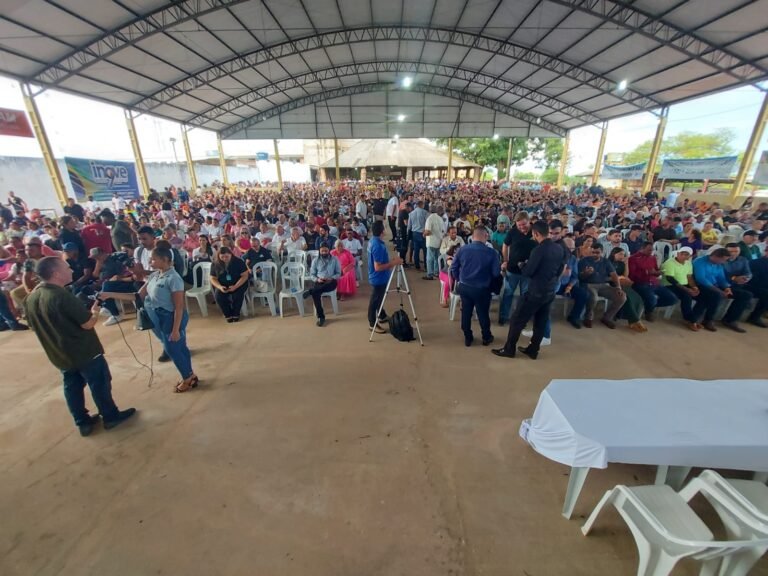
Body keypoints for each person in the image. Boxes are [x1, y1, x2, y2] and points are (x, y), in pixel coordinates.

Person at [24, 256, 135, 436]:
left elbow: (32, 325)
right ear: (56, 273)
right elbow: (88, 324)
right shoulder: (61, 295)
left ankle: (82, 421)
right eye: (67, 268)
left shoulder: (32, 297)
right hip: (84, 351)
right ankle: (110, 416)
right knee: (99, 384)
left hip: (59, 353)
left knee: (72, 387)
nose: (71, 270)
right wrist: (96, 310)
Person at [492, 220, 564, 359]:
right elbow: (560, 269)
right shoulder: (558, 248)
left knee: (516, 320)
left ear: (536, 233)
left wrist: (522, 265)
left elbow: (528, 272)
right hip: (549, 290)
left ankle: (509, 349)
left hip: (535, 291)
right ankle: (533, 349)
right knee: (541, 321)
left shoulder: (539, 249)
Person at [139, 246, 198, 393]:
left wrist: (176, 329)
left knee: (172, 349)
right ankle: (190, 374)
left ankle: (187, 378)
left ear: (165, 260)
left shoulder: (173, 278)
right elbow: (138, 295)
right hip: (158, 315)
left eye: (153, 259)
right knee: (180, 347)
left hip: (171, 317)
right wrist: (109, 294)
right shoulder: (155, 275)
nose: (150, 261)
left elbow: (179, 306)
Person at [450, 228, 500, 347]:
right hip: (482, 289)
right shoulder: (492, 253)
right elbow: (495, 273)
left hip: (464, 287)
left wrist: (459, 279)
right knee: (483, 314)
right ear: (486, 237)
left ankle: (468, 337)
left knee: (466, 312)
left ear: (472, 237)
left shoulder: (462, 249)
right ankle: (486, 337)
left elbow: (453, 268)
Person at [692, 247, 752, 333]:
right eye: (723, 260)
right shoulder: (700, 262)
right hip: (702, 286)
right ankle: (708, 320)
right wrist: (720, 291)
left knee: (746, 295)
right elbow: (701, 279)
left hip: (716, 286)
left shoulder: (718, 265)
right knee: (716, 295)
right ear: (716, 257)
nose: (724, 262)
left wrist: (727, 288)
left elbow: (721, 278)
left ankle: (730, 320)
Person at [499, 212, 536, 325]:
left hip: (529, 270)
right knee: (508, 293)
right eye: (519, 225)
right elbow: (505, 245)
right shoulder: (513, 231)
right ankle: (504, 316)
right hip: (513, 269)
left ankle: (522, 319)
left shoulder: (535, 231)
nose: (521, 227)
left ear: (529, 221)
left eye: (524, 224)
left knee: (525, 296)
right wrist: (505, 260)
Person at [578, 243, 627, 329]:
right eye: (593, 252)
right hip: (588, 284)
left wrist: (618, 287)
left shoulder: (606, 261)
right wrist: (586, 273)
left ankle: (607, 318)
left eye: (597, 252)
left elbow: (614, 274)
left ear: (602, 252)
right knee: (593, 297)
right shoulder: (584, 261)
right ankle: (588, 317)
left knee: (621, 297)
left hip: (603, 285)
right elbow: (579, 277)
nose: (595, 254)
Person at [628, 242, 678, 321]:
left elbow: (656, 270)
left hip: (654, 283)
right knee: (652, 299)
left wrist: (658, 272)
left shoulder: (652, 258)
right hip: (640, 283)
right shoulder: (633, 258)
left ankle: (648, 305)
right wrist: (647, 272)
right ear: (642, 248)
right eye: (649, 250)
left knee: (673, 299)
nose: (651, 252)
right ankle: (649, 311)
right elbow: (631, 275)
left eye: (652, 250)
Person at [368, 220, 402, 333]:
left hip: (381, 276)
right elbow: (377, 267)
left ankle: (381, 315)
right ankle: (372, 323)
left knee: (380, 297)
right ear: (382, 231)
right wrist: (394, 263)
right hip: (378, 277)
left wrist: (391, 261)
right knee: (375, 300)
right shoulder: (377, 245)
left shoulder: (376, 241)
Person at [661, 247, 702, 331]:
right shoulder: (670, 262)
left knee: (702, 296)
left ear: (689, 256)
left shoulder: (688, 263)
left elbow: (689, 277)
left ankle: (693, 318)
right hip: (670, 285)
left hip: (684, 284)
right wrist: (687, 289)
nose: (683, 256)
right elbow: (670, 279)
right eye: (681, 253)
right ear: (678, 253)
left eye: (686, 254)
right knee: (686, 296)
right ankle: (690, 320)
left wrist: (694, 287)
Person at [609, 247, 648, 332]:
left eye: (623, 254)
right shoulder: (608, 262)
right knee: (627, 298)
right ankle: (635, 321)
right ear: (613, 254)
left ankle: (635, 320)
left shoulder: (621, 263)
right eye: (620, 254)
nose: (622, 256)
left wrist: (626, 264)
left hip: (622, 283)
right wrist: (618, 278)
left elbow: (626, 275)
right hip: (612, 283)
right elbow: (607, 276)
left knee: (637, 298)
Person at [304, 241, 341, 326]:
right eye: (322, 251)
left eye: (326, 251)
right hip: (319, 282)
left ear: (329, 250)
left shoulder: (335, 259)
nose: (324, 252)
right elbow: (312, 274)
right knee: (316, 293)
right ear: (319, 251)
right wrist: (317, 279)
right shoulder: (315, 260)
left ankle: (310, 291)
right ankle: (321, 317)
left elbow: (338, 273)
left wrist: (331, 278)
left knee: (315, 291)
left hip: (331, 281)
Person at [209, 246, 249, 322]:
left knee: (237, 295)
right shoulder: (215, 264)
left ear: (231, 255)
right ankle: (227, 314)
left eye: (227, 257)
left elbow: (245, 276)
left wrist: (235, 286)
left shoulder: (238, 262)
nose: (225, 259)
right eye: (222, 257)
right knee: (219, 296)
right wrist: (220, 287)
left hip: (238, 283)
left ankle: (236, 313)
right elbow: (212, 278)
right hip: (223, 284)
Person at [744, 243, 768, 327]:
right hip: (752, 286)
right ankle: (755, 317)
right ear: (766, 252)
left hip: (763, 286)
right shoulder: (756, 263)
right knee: (766, 294)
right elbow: (753, 279)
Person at [407, 200, 428, 270]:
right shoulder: (425, 212)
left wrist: (408, 233)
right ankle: (426, 265)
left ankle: (417, 265)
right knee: (425, 250)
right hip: (423, 233)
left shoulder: (411, 213)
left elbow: (409, 225)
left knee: (416, 250)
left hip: (414, 233)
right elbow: (427, 224)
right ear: (422, 205)